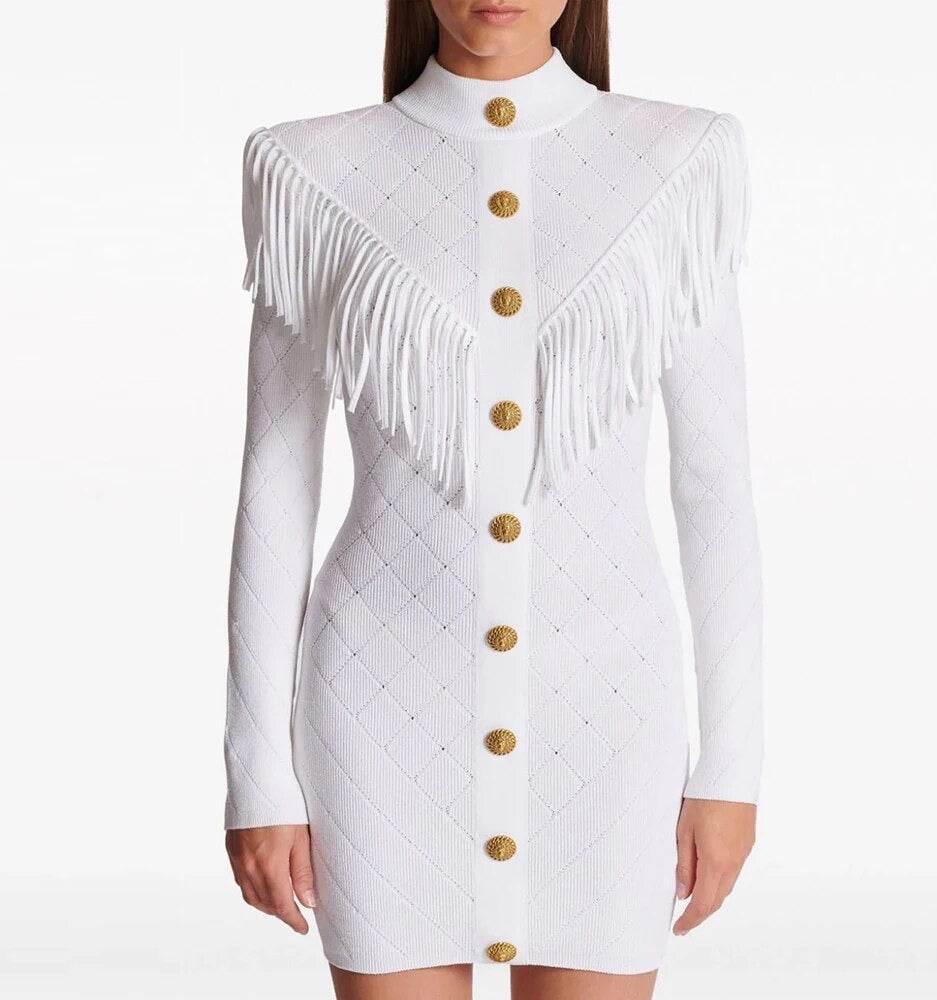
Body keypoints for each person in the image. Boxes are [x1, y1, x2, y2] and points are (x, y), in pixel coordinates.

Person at [223, 2, 763, 997]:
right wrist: (257, 774)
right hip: (380, 711)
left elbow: (715, 482)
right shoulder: (309, 169)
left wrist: (731, 768)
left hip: (607, 713)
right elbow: (275, 485)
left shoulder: (677, 161)